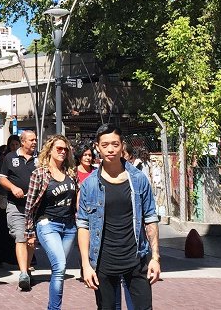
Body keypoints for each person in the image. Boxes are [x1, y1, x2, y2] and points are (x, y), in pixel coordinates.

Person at [78, 124, 160, 310]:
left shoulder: (138, 179)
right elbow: (83, 225)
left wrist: (155, 257)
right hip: (103, 262)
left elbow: (150, 218)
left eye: (115, 144)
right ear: (97, 147)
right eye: (105, 144)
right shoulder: (90, 184)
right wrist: (86, 265)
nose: (110, 149)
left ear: (122, 145)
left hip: (136, 259)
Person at [24, 135, 77, 309]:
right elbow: (30, 206)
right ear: (50, 150)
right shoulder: (39, 173)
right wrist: (29, 232)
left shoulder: (71, 172)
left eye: (65, 149)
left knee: (58, 270)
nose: (63, 152)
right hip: (47, 224)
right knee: (60, 266)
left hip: (69, 226)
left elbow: (76, 201)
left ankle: (53, 306)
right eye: (59, 149)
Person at [0, 130, 38, 291]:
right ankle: (23, 273)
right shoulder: (10, 157)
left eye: (35, 140)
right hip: (16, 205)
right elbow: (2, 178)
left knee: (31, 241)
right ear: (23, 142)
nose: (34, 142)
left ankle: (27, 268)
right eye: (31, 140)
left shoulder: (40, 159)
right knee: (21, 237)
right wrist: (13, 188)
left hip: (35, 207)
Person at [0, 136, 21, 267]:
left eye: (16, 144)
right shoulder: (3, 159)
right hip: (3, 198)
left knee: (18, 229)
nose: (14, 147)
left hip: (19, 199)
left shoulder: (24, 159)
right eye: (12, 145)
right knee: (2, 229)